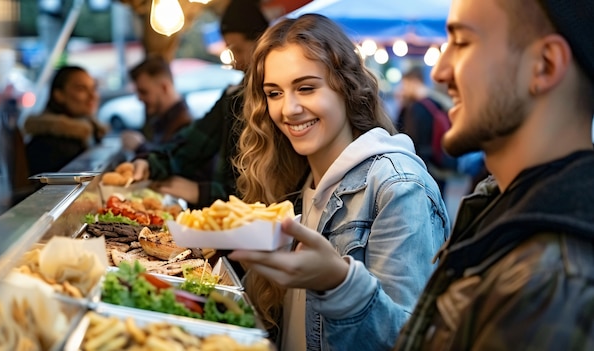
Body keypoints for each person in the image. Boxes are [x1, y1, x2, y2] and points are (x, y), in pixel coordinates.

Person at [228, 14, 450, 350]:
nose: (288, 109)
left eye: (306, 88)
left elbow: (411, 340)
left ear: (346, 86)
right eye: (273, 93)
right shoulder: (291, 181)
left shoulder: (398, 186)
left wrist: (338, 282)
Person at [394, 0, 594, 349]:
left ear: (544, 66)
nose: (440, 72)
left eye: (462, 43)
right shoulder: (497, 208)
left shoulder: (551, 282)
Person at [131, 0, 269, 209]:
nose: (234, 62)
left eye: (239, 50)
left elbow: (268, 193)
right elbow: (192, 143)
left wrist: (199, 191)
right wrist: (150, 164)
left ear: (264, 44)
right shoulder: (233, 96)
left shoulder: (276, 104)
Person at [24, 66, 108, 175]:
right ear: (59, 95)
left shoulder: (92, 131)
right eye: (81, 89)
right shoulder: (48, 145)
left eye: (93, 88)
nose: (92, 96)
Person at [397, 66, 456, 193]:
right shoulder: (437, 102)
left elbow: (413, 140)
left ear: (414, 82)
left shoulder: (417, 108)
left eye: (405, 85)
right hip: (440, 162)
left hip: (425, 167)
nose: (404, 89)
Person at [120, 56, 194, 154]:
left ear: (164, 87)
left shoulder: (185, 125)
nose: (139, 98)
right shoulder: (165, 121)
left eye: (144, 92)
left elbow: (173, 164)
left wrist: (140, 147)